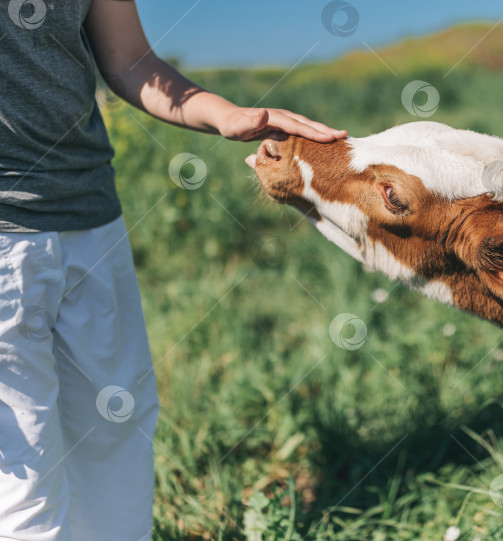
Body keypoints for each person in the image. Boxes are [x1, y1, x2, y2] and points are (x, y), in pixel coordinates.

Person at [0, 1, 346, 539]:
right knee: (23, 471)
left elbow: (130, 59)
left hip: (91, 215)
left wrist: (227, 115)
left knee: (114, 429)